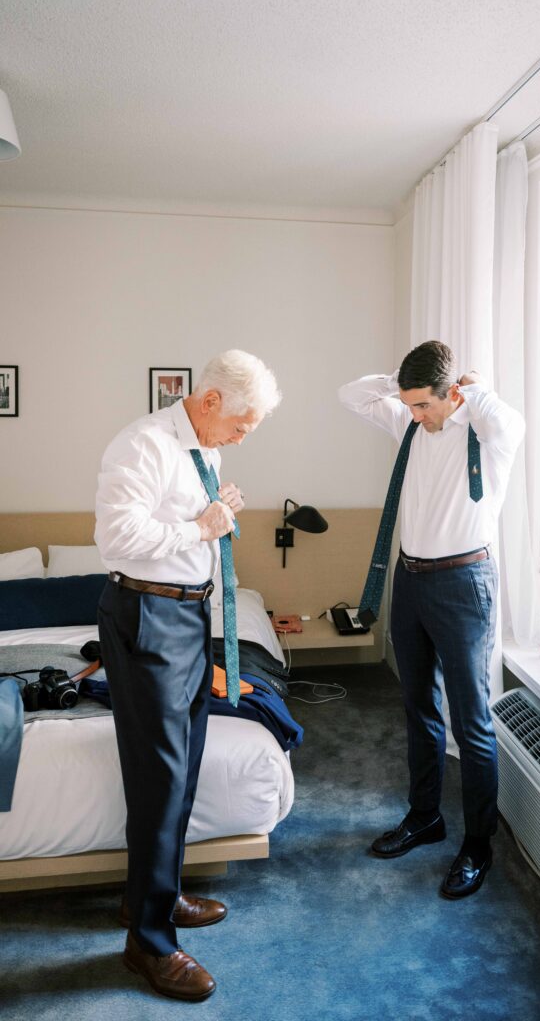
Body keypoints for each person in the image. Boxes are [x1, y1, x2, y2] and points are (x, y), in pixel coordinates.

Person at [95, 350, 281, 1001]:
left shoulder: (207, 451)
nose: (240, 437)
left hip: (187, 617)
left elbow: (189, 533)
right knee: (160, 775)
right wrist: (200, 525)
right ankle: (147, 945)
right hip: (147, 614)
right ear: (207, 403)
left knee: (182, 766)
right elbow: (117, 536)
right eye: (239, 425)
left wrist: (211, 517)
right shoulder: (142, 444)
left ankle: (154, 898)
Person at [339, 340, 524, 900]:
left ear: (455, 395)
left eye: (423, 405)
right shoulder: (411, 423)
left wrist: (476, 390)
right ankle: (425, 816)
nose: (413, 415)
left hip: (465, 584)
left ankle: (477, 844)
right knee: (417, 703)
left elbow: (504, 416)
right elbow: (350, 394)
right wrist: (403, 383)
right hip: (412, 580)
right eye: (409, 404)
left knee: (471, 721)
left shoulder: (489, 436)